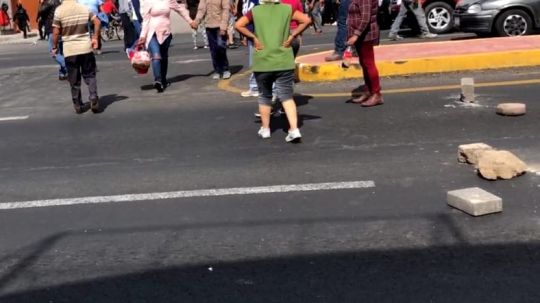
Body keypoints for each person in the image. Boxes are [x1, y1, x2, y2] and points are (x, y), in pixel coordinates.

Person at [235, 0, 310, 142]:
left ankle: (265, 129)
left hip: (263, 61)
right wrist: (292, 36)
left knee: (264, 96)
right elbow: (306, 20)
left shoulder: (256, 11)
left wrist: (253, 37)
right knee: (287, 96)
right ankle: (294, 129)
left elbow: (238, 24)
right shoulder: (287, 9)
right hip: (283, 59)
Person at [52, 0, 101, 114]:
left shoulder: (59, 11)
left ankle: (78, 105)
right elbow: (97, 22)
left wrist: (54, 47)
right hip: (85, 48)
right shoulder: (83, 8)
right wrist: (94, 38)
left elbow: (55, 32)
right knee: (90, 74)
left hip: (70, 50)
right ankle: (93, 96)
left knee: (74, 79)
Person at [137, 0, 193, 92]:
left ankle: (163, 79)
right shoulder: (146, 1)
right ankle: (158, 80)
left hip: (165, 33)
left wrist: (190, 21)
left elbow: (180, 9)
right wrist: (142, 36)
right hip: (152, 33)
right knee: (156, 56)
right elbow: (145, 19)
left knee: (164, 57)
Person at [347, 0, 382, 107]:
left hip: (366, 35)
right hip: (360, 35)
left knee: (369, 64)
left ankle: (376, 94)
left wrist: (356, 35)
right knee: (364, 63)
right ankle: (369, 91)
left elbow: (365, 19)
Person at [192, 0, 232, 80]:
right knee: (213, 50)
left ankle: (225, 69)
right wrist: (196, 21)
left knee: (221, 46)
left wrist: (223, 27)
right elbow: (201, 10)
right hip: (209, 26)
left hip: (220, 26)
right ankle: (217, 70)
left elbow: (226, 10)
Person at [39, 0, 68, 80]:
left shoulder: (49, 2)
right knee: (60, 52)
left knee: (53, 52)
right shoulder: (59, 3)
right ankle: (62, 73)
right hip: (60, 29)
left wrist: (41, 2)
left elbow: (40, 11)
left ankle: (68, 67)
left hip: (52, 30)